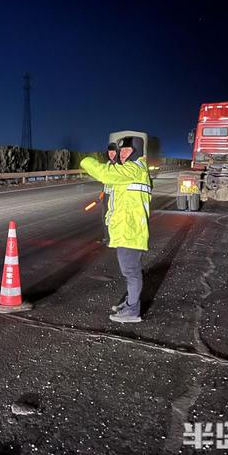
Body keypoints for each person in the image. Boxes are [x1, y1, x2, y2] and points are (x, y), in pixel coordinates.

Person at [80, 136, 151, 323]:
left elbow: (106, 174)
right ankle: (130, 303)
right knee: (130, 270)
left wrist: (86, 161)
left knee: (131, 272)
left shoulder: (134, 168)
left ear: (136, 150)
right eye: (122, 151)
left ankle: (132, 310)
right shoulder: (131, 169)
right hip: (127, 229)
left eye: (127, 150)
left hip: (131, 231)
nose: (123, 154)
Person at [99, 143, 119, 244]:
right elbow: (104, 179)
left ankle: (114, 239)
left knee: (112, 218)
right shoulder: (107, 164)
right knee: (104, 217)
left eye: (113, 151)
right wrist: (102, 191)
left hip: (115, 195)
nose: (111, 153)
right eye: (109, 151)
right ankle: (106, 238)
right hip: (106, 195)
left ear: (117, 152)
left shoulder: (119, 165)